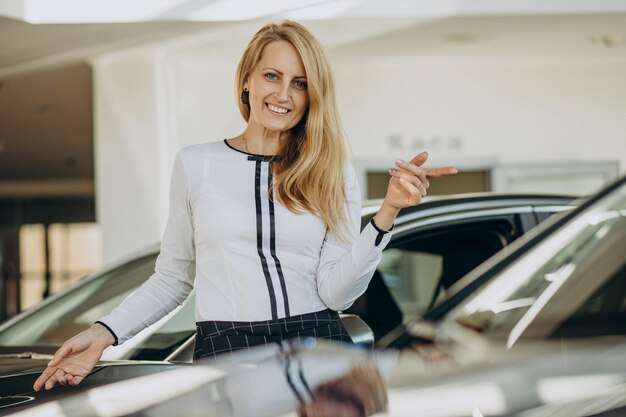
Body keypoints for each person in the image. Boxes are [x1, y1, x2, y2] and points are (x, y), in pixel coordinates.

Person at [33, 20, 457, 391]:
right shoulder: (196, 164)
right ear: (247, 80)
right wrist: (104, 333)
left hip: (321, 348)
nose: (284, 94)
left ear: (312, 96)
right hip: (227, 350)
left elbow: (337, 293)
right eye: (272, 75)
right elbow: (173, 279)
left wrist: (387, 214)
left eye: (300, 83)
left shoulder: (332, 168)